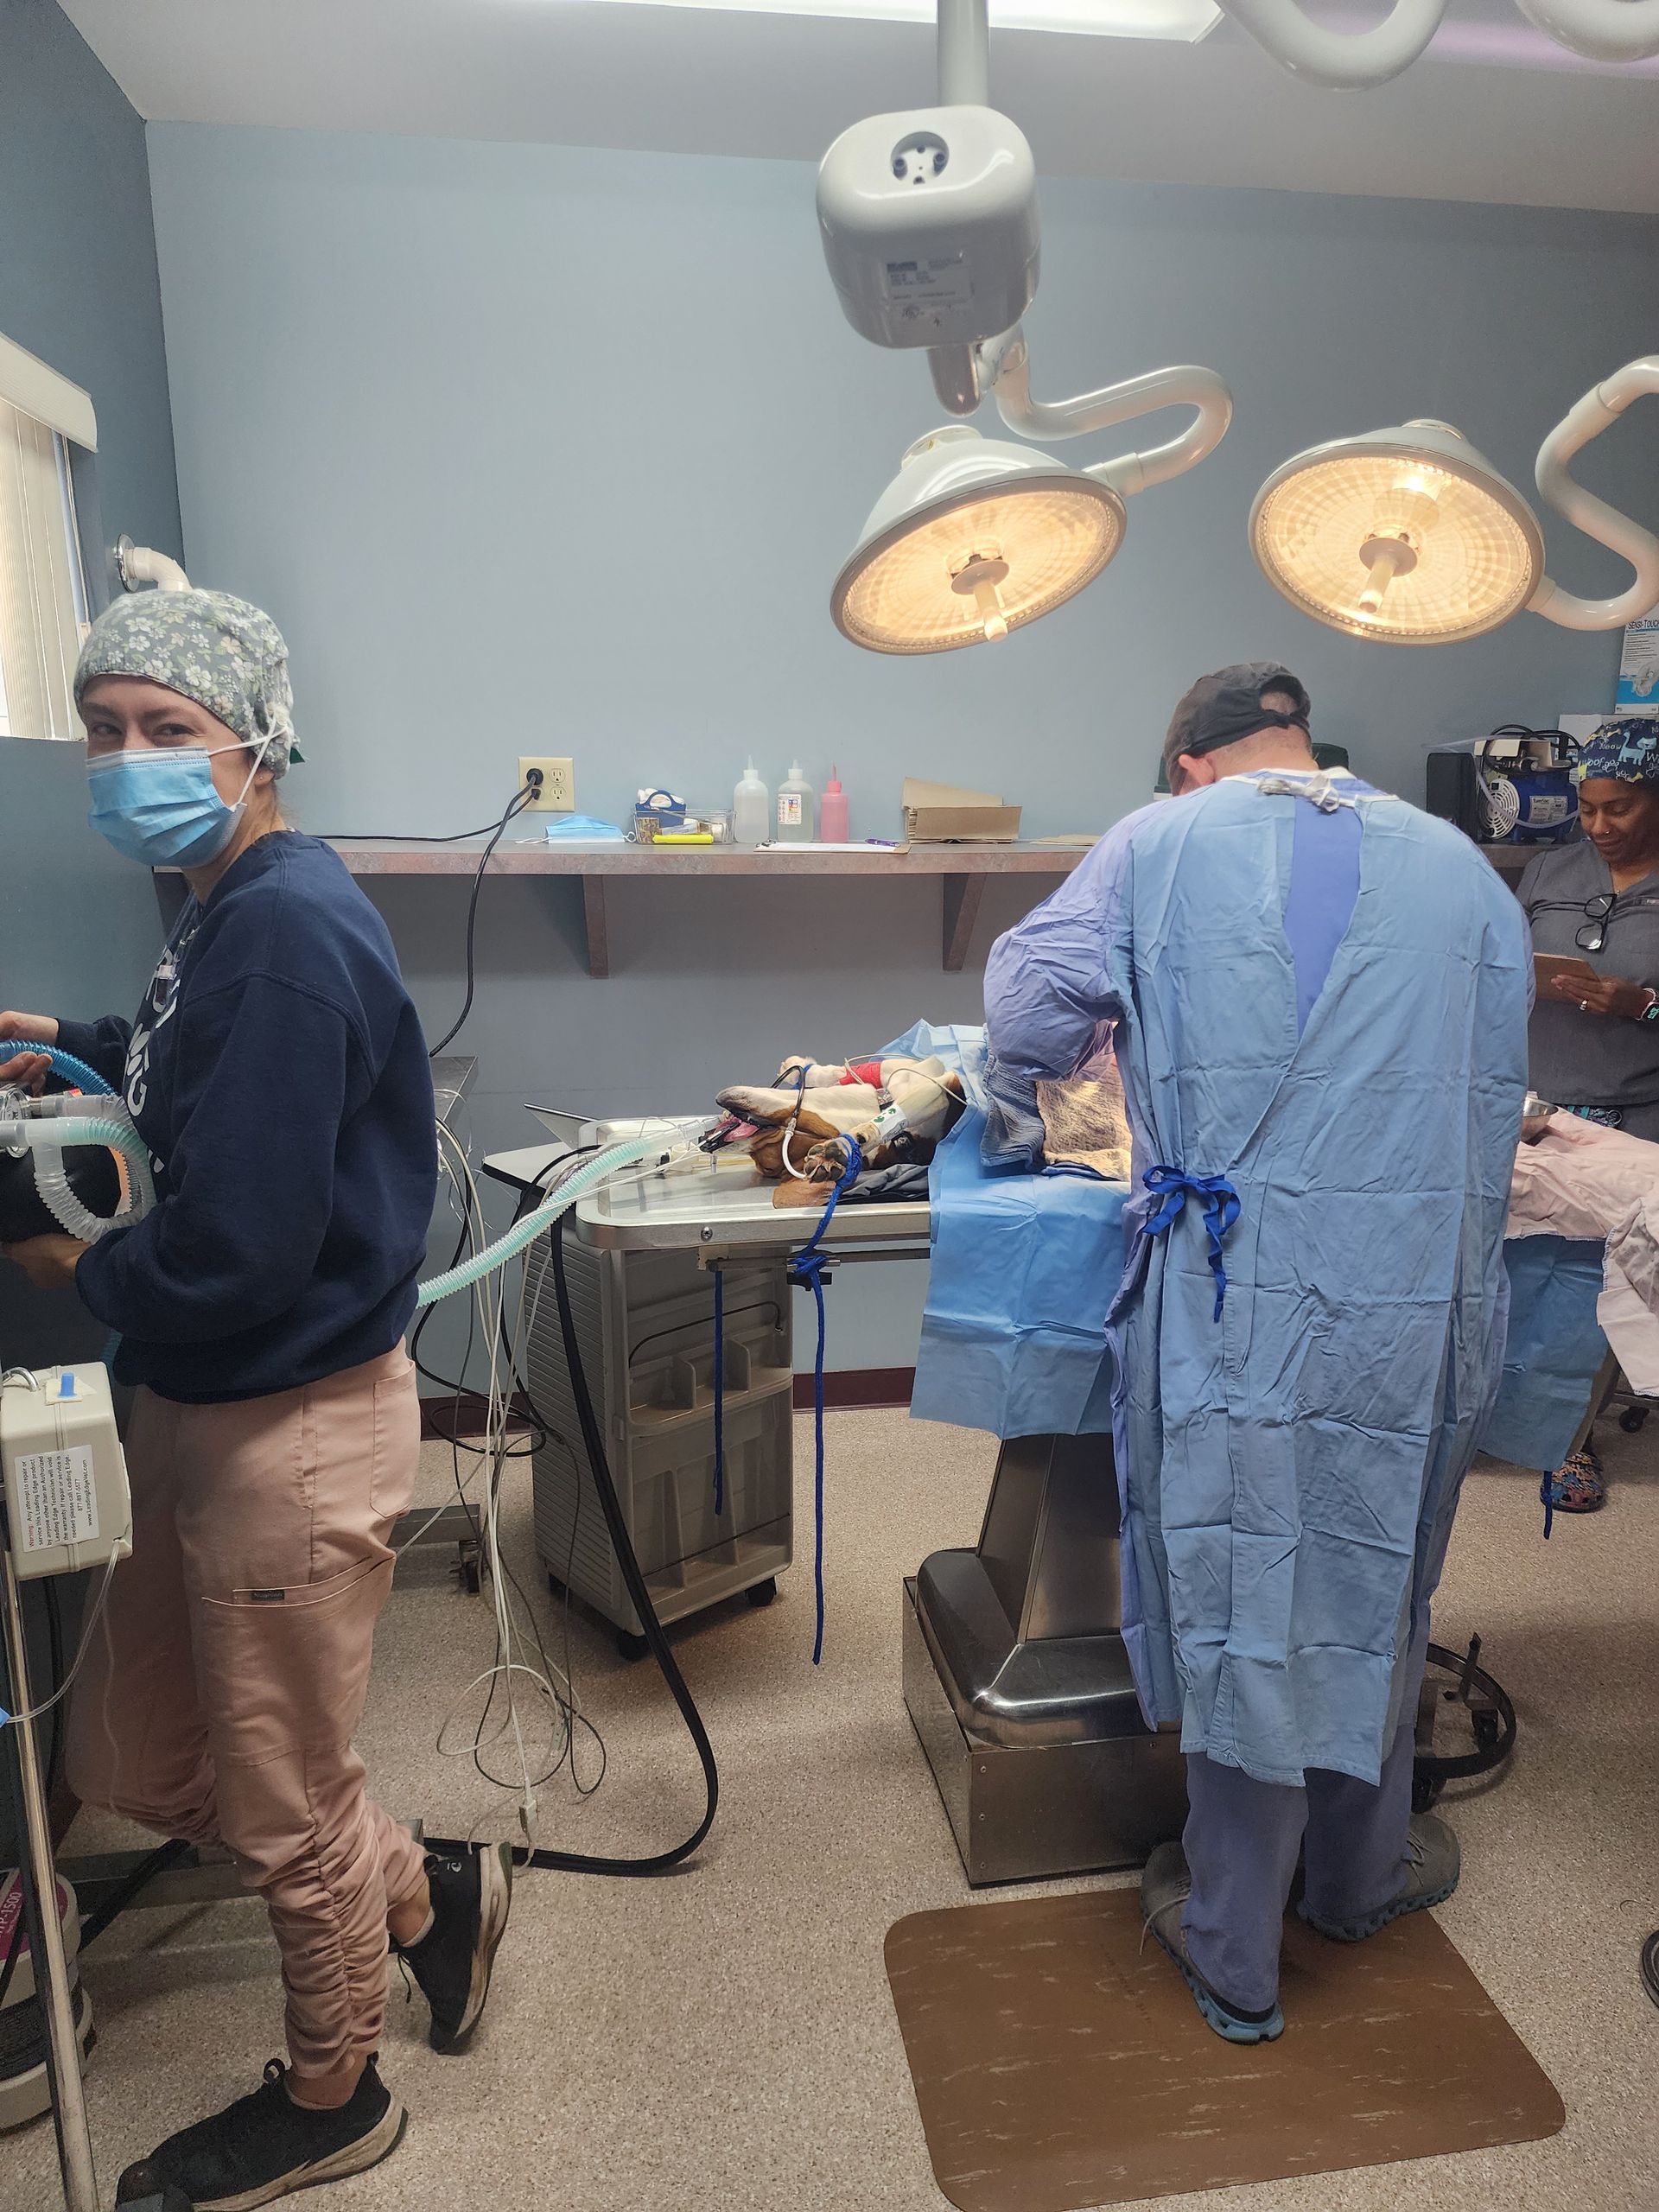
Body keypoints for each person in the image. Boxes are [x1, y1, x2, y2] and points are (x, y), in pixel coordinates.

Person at [0, 589, 511, 2209]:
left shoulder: (283, 930)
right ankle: (422, 1893)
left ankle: (333, 2094)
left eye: (168, 729)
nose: (127, 759)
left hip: (288, 1422)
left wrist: (68, 1268)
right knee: (146, 1752)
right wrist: (72, 1042)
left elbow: (236, 1249)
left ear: (259, 744)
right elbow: (190, 1063)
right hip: (206, 1402)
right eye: (104, 729)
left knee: (282, 1799)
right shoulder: (221, 904)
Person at [984, 664, 1529, 2044]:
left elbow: (1031, 1010)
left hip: (1242, 1289)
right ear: (1305, 740)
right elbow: (1485, 1101)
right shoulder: (1463, 871)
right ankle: (1355, 1878)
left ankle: (1234, 1939)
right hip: (1416, 1290)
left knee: (1249, 1581)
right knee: (1377, 1565)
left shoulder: (1159, 843)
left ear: (1190, 762)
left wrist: (1111, 1091)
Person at [1518, 715, 1659, 1511]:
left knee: (1596, 1290)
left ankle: (1572, 1443)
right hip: (1538, 1106)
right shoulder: (1551, 870)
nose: (1599, 825)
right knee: (1517, 1270)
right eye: (1589, 807)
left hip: (1635, 1114)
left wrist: (1646, 1006)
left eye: (1620, 808)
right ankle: (1506, 1415)